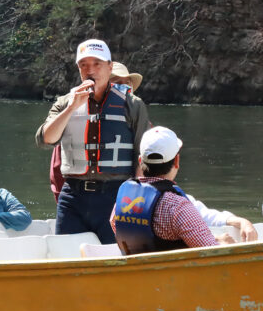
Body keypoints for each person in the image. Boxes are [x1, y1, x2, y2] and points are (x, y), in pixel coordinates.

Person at [36, 39, 150, 243]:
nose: (90, 70)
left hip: (116, 195)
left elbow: (142, 158)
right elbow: (46, 140)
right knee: (66, 258)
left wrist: (137, 201)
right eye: (84, 65)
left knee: (115, 259)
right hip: (73, 196)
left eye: (97, 64)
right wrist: (71, 108)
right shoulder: (64, 102)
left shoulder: (133, 105)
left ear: (109, 67)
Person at [110, 127, 234, 255]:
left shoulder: (120, 203)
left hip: (137, 272)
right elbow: (211, 251)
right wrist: (222, 242)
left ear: (140, 161)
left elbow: (115, 225)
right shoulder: (177, 206)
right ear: (177, 161)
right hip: (172, 273)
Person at [49, 60, 144, 202]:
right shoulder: (75, 120)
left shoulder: (138, 118)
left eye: (128, 83)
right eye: (118, 82)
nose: (124, 88)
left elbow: (148, 166)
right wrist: (63, 200)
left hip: (125, 199)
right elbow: (58, 168)